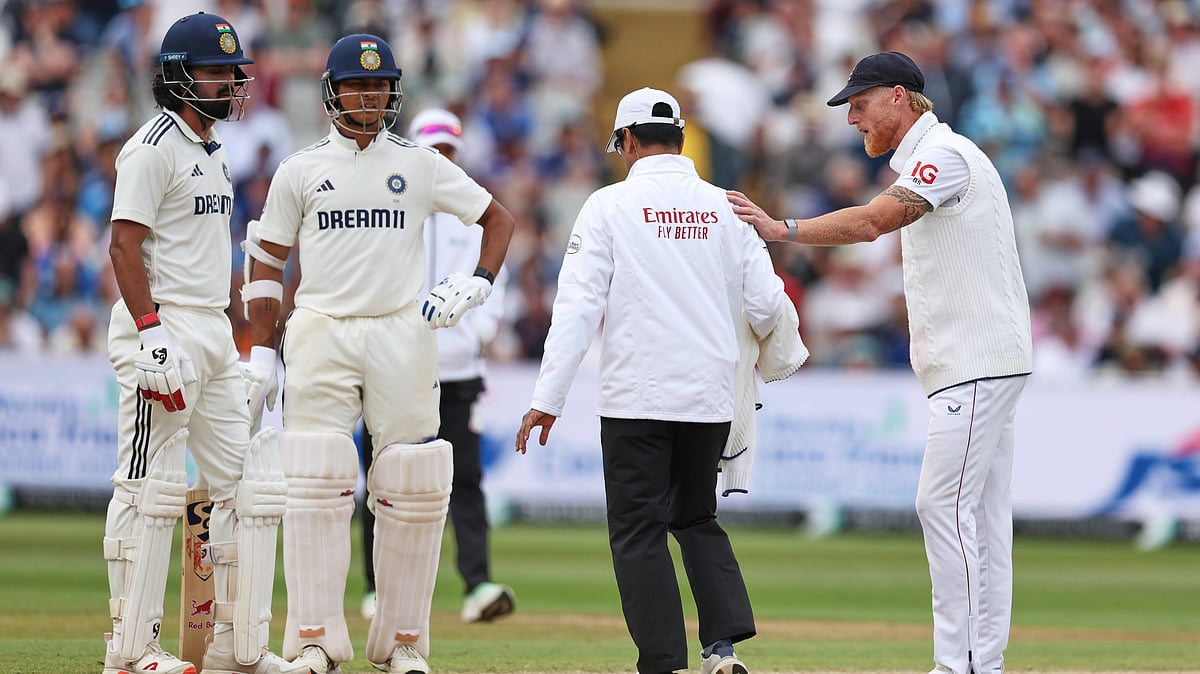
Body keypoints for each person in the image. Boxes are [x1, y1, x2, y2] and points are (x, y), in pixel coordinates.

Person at [727, 51, 1033, 674]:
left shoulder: (942, 154)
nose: (851, 120)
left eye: (859, 106)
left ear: (899, 96)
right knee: (980, 518)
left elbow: (872, 224)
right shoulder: (945, 155)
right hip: (984, 359)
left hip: (975, 360)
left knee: (941, 506)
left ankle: (961, 665)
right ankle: (982, 662)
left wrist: (780, 228)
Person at [243, 34, 516, 674]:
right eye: (356, 85)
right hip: (321, 328)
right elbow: (266, 261)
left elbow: (497, 219)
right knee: (315, 479)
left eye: (379, 85)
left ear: (393, 91)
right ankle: (314, 640)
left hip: (401, 330)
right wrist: (261, 354)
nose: (369, 95)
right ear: (332, 91)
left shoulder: (420, 163)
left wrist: (476, 282)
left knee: (413, 483)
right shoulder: (301, 167)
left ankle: (403, 645)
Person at [516, 87, 797, 674]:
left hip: (637, 397)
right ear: (680, 138)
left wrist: (547, 398)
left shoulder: (608, 206)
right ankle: (721, 650)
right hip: (710, 396)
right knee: (695, 516)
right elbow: (770, 305)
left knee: (639, 530)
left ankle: (664, 662)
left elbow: (576, 309)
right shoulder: (728, 206)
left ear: (628, 141)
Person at [103, 12, 304, 674]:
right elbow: (123, 245)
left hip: (215, 328)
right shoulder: (152, 146)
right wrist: (151, 334)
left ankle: (233, 649)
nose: (230, 82)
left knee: (246, 489)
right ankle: (130, 652)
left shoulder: (214, 153)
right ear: (179, 76)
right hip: (162, 326)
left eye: (231, 71)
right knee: (147, 489)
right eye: (217, 71)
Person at [360, 107, 516, 625]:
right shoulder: (389, 206)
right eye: (434, 150)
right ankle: (379, 588)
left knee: (465, 480)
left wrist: (475, 329)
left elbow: (496, 285)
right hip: (394, 369)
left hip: (457, 371)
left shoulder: (472, 217)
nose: (441, 160)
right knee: (385, 480)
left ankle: (478, 585)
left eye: (448, 152)